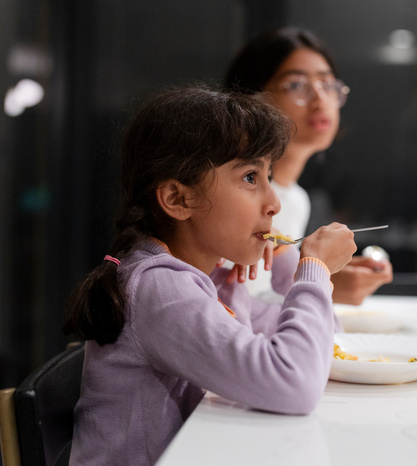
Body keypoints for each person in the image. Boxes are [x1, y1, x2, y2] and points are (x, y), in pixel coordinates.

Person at [62, 85, 357, 465]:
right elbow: (295, 385)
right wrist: (312, 269)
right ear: (178, 199)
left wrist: (286, 258)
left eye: (269, 175)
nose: (274, 202)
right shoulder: (160, 289)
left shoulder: (205, 279)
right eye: (251, 177)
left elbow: (327, 345)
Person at [222, 26, 392, 305]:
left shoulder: (297, 200)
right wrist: (324, 286)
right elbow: (224, 304)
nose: (320, 99)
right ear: (249, 98)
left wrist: (324, 279)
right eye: (296, 85)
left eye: (327, 84)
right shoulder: (232, 194)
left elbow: (267, 293)